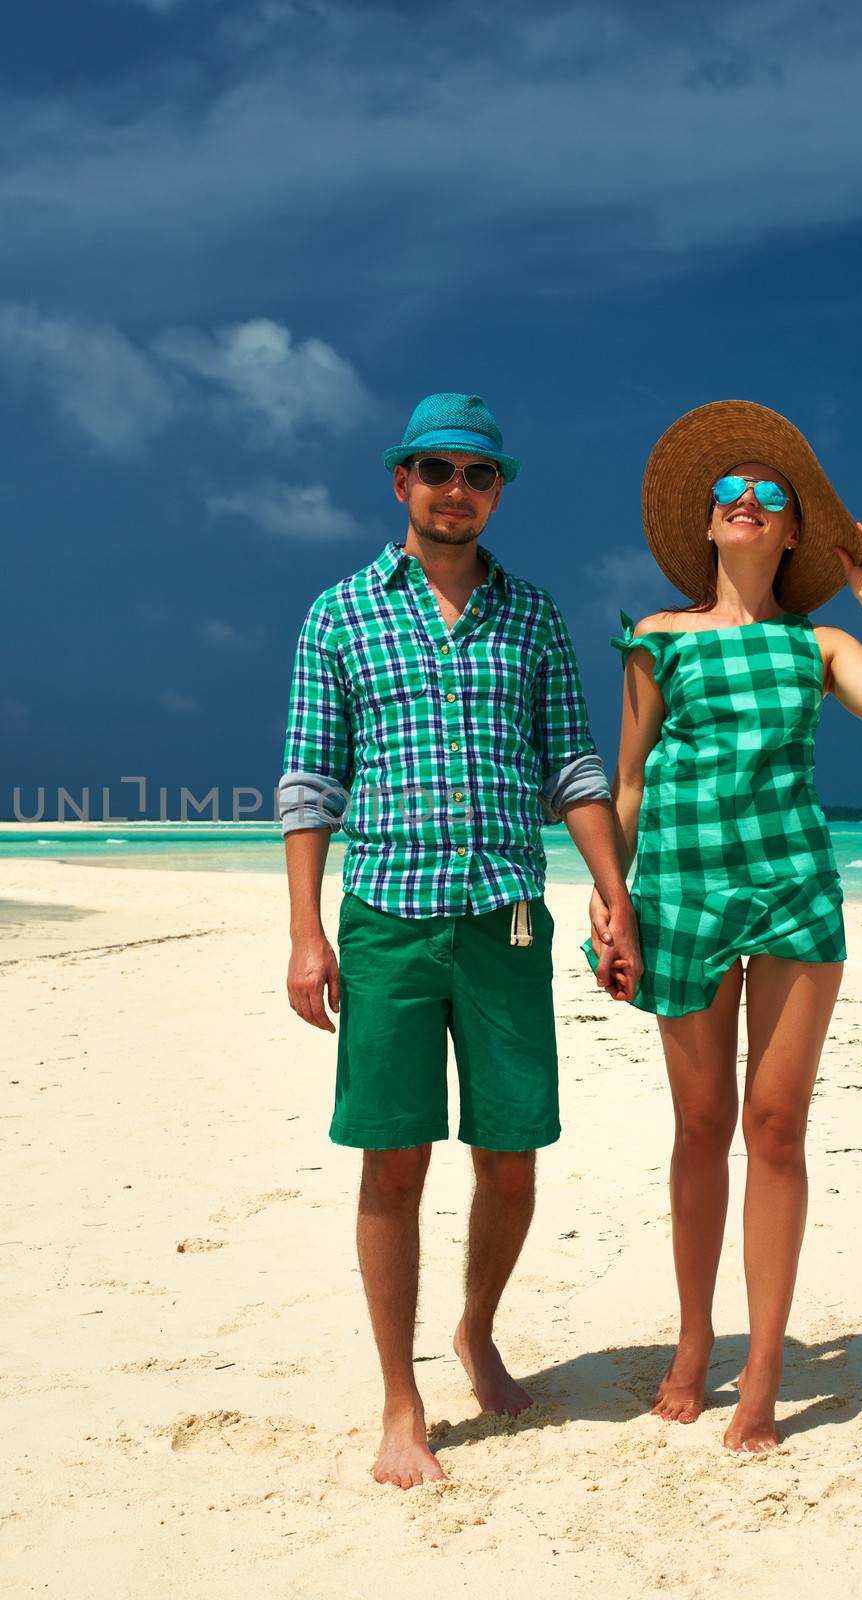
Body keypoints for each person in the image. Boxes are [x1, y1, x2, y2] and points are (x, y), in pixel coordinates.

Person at [278, 392, 642, 1489]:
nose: (455, 490)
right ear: (401, 483)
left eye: (476, 475)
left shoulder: (530, 617)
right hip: (386, 917)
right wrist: (305, 933)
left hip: (506, 918)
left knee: (512, 1154)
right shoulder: (338, 614)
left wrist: (612, 892)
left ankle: (477, 1328)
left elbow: (573, 769)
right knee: (392, 1160)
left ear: (496, 491)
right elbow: (309, 784)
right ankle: (401, 1399)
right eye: (435, 470)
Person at [584, 399, 862, 1453]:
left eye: (765, 497)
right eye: (726, 496)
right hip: (679, 892)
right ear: (704, 525)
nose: (743, 505)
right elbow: (631, 779)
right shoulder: (655, 639)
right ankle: (694, 1341)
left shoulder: (815, 644)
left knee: (774, 1128)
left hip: (790, 891)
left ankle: (764, 1366)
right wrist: (612, 904)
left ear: (790, 531)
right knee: (700, 1128)